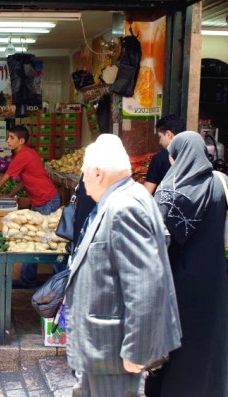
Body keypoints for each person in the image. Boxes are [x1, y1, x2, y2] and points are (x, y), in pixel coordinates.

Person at [65, 134, 181, 397]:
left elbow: (144, 285)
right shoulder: (127, 197)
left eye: (84, 173)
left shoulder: (124, 207)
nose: (82, 180)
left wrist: (136, 351)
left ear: (96, 173)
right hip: (101, 347)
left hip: (112, 350)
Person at [145, 131, 228, 396]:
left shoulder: (168, 191)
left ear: (175, 156)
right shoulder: (221, 183)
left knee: (178, 342)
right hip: (214, 276)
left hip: (178, 280)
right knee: (209, 338)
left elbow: (155, 241)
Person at [0, 126, 60, 288]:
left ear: (21, 141)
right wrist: (10, 195)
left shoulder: (23, 156)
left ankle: (59, 283)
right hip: (42, 201)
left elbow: (1, 182)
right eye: (8, 137)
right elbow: (25, 181)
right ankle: (27, 281)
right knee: (35, 241)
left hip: (47, 201)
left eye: (12, 138)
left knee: (49, 243)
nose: (8, 140)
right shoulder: (27, 154)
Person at [144, 114, 185, 194]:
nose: (159, 142)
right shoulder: (194, 156)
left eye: (160, 137)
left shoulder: (159, 158)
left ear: (168, 134)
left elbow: (146, 194)